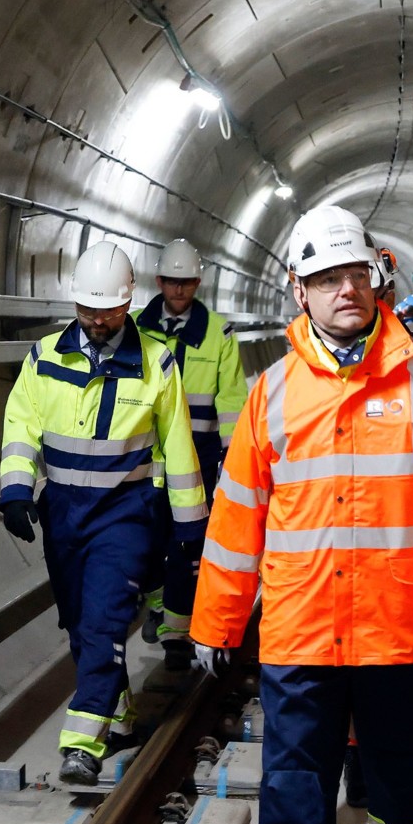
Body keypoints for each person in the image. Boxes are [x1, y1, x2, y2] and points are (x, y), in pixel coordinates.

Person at [189, 205, 413, 824]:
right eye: (326, 278)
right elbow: (237, 519)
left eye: (354, 273)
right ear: (299, 291)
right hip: (301, 634)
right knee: (294, 787)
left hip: (401, 628)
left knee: (402, 772)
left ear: (375, 278)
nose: (344, 290)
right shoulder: (271, 394)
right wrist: (215, 620)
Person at [0, 241, 207, 785]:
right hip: (64, 510)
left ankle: (80, 743)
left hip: (126, 511)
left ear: (128, 302)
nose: (95, 320)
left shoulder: (157, 361)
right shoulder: (45, 356)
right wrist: (17, 490)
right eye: (86, 309)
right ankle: (118, 713)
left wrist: (189, 523)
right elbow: (20, 424)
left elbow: (178, 442)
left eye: (107, 310)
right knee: (77, 622)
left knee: (103, 620)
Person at [133, 238, 247, 672]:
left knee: (186, 541)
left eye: (187, 283)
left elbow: (232, 396)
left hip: (196, 454)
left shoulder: (218, 332)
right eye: (172, 282)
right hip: (147, 454)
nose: (179, 291)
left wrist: (232, 457)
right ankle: (160, 601)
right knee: (146, 539)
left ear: (197, 283)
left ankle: (176, 633)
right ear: (159, 281)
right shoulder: (138, 327)